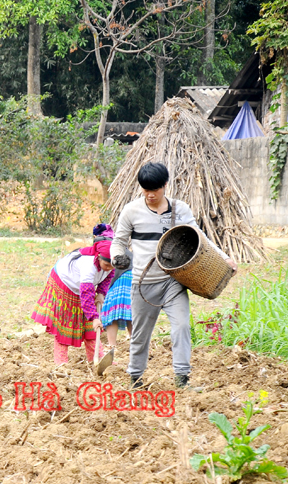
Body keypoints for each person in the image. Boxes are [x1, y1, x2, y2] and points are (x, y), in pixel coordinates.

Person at [111, 162, 237, 390]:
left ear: (165, 185)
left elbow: (200, 238)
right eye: (145, 189)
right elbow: (118, 242)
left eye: (155, 189)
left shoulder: (180, 210)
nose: (150, 194)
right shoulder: (131, 211)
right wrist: (117, 256)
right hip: (143, 284)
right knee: (140, 335)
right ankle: (135, 379)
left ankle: (182, 380)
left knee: (181, 327)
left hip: (173, 281)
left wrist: (224, 257)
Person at [31, 224, 116, 365]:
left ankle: (98, 359)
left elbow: (108, 277)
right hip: (64, 283)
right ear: (98, 256)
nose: (109, 268)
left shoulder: (110, 264)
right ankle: (61, 363)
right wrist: (94, 317)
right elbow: (87, 294)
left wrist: (101, 293)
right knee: (65, 325)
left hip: (81, 286)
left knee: (91, 328)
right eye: (106, 265)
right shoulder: (88, 265)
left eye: (111, 266)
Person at [100, 248, 133, 348]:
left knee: (110, 312)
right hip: (135, 278)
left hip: (120, 279)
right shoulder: (126, 250)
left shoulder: (105, 249)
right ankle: (137, 345)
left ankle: (112, 345)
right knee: (132, 313)